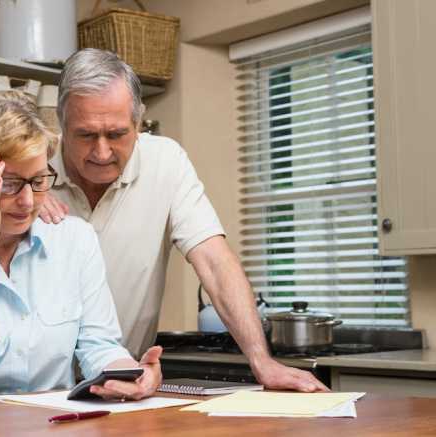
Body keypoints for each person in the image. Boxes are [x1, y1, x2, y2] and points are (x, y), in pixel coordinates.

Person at [39, 48, 328, 392]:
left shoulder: (166, 162)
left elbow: (215, 263)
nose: (101, 153)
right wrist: (22, 194)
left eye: (116, 134)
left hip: (121, 383)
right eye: (86, 135)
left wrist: (261, 361)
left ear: (138, 120)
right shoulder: (29, 172)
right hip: (32, 388)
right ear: (61, 124)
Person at [0, 92, 162, 402]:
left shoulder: (76, 240)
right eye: (8, 183)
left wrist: (129, 374)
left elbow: (99, 344)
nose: (27, 202)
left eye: (38, 181)